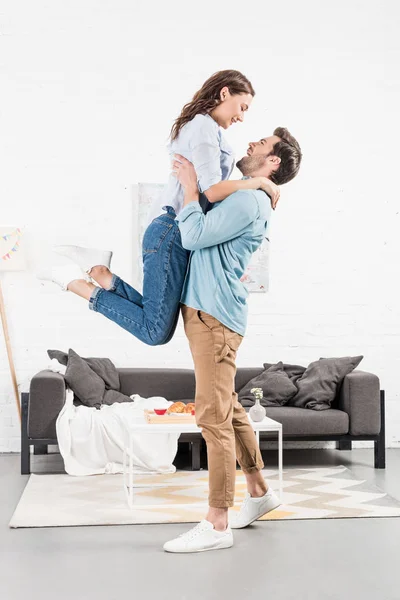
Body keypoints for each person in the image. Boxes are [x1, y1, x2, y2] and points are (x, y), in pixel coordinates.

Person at [38, 70, 279, 345]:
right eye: (242, 107)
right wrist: (258, 181)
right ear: (225, 93)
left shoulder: (208, 128)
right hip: (172, 230)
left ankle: (101, 275)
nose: (241, 117)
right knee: (155, 331)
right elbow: (211, 191)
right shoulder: (203, 127)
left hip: (173, 230)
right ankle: (74, 282)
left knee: (155, 320)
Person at [162, 128, 302, 553]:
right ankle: (259, 491)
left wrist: (189, 188)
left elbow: (193, 236)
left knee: (212, 415)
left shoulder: (248, 199)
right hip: (212, 314)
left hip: (215, 318)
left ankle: (217, 521)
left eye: (260, 144)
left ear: (273, 161)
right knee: (229, 406)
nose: (250, 145)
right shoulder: (250, 193)